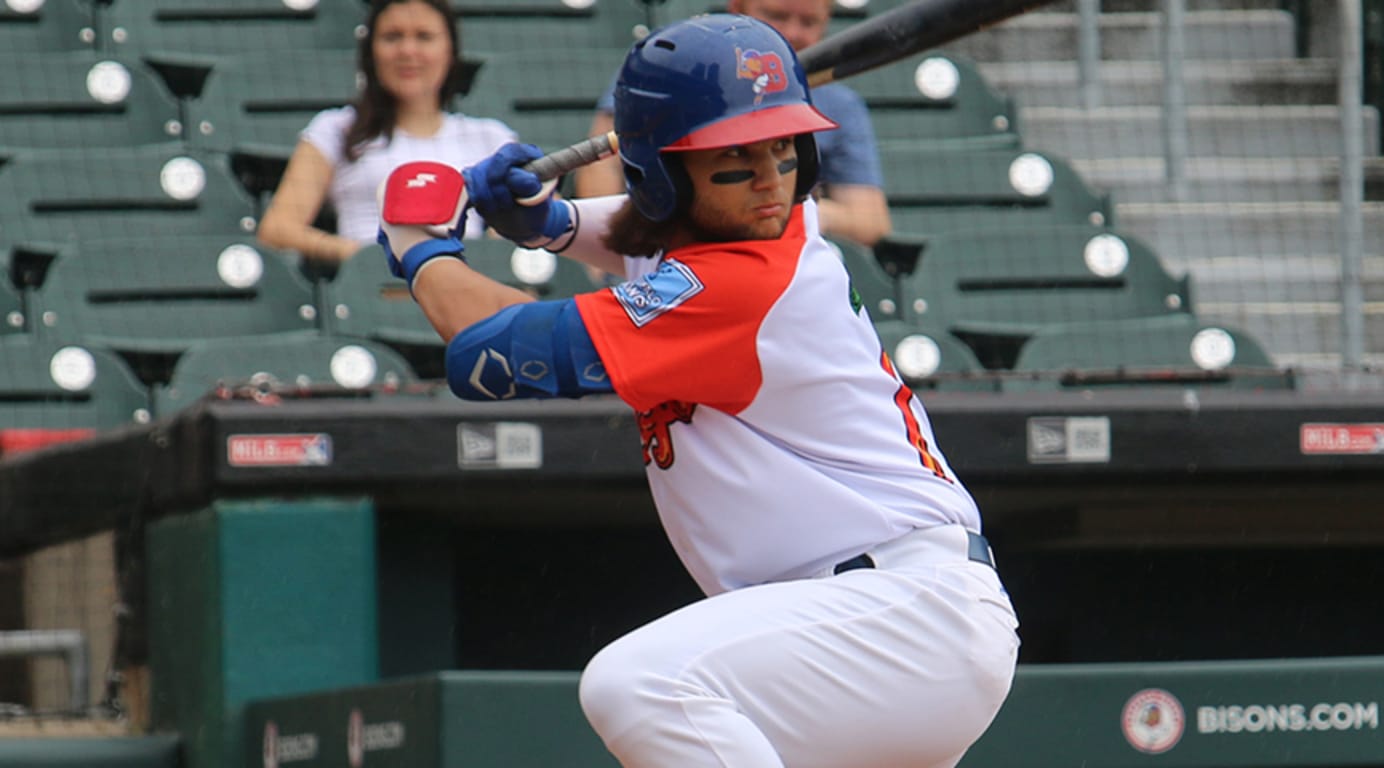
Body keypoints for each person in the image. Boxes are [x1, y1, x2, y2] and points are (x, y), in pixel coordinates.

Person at [376, 15, 1018, 767]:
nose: (770, 185)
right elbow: (650, 233)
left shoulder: (747, 280)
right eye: (735, 163)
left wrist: (420, 247)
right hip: (861, 626)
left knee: (640, 684)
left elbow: (491, 353)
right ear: (663, 177)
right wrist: (544, 223)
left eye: (783, 152)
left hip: (899, 613)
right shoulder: (723, 242)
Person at [572, 0, 893, 248]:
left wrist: (785, 209)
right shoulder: (675, 68)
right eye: (778, 16)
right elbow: (604, 166)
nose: (794, 33)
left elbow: (870, 221)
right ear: (737, 9)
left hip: (781, 257)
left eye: (809, 22)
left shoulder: (841, 104)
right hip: (663, 242)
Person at [257, 0, 515, 264]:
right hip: (370, 293)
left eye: (424, 37)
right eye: (392, 37)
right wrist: (368, 259)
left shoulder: (490, 138)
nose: (407, 50)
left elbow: (538, 217)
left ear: (450, 50)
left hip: (466, 288)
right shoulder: (335, 129)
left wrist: (490, 256)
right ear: (371, 52)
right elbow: (278, 230)